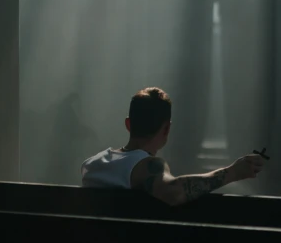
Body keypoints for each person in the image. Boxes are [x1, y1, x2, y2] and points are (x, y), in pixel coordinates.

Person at [81, 87, 265, 206]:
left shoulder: (91, 164)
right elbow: (174, 192)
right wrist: (232, 172)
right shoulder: (146, 166)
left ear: (128, 124)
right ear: (167, 128)